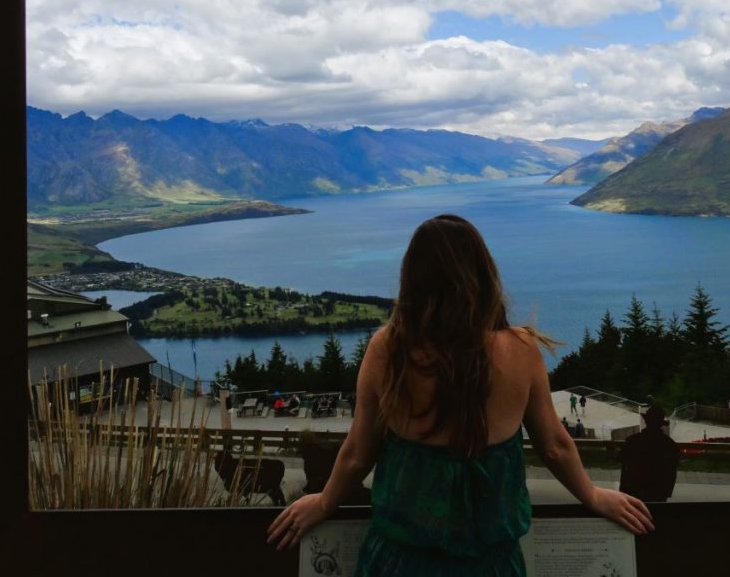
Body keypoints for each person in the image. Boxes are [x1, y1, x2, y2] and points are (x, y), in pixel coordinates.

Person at [267, 214, 654, 572]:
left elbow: (356, 455)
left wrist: (323, 502)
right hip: (491, 565)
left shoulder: (389, 349)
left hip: (399, 562)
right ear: (483, 274)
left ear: (412, 279)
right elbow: (554, 445)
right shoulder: (521, 351)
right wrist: (592, 495)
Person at [618, 404, 679, 502]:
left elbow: (623, 464)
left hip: (634, 490)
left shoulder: (633, 441)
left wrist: (623, 489)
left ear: (646, 421)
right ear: (661, 424)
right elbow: (672, 471)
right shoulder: (670, 445)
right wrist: (667, 492)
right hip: (658, 492)